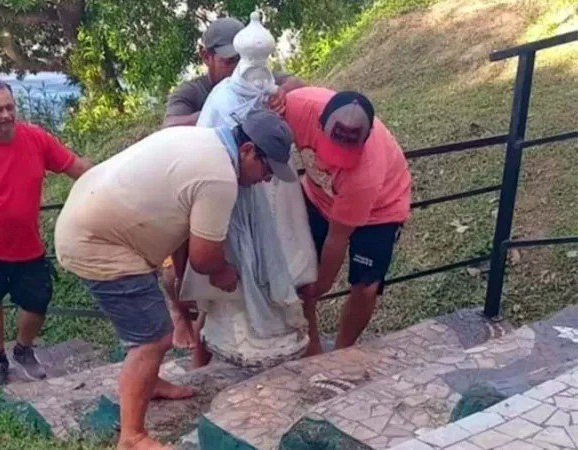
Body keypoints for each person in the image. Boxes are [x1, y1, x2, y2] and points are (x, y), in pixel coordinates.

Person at [55, 109, 296, 450]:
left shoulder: (204, 138)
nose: (266, 179)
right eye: (267, 169)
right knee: (153, 340)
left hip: (89, 217)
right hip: (98, 243)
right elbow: (204, 257)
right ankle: (132, 437)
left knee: (148, 330)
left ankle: (148, 383)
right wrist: (224, 272)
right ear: (247, 151)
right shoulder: (220, 178)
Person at [161, 15, 307, 359]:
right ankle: (184, 322)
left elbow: (296, 83)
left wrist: (278, 95)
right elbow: (170, 126)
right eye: (228, 60)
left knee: (264, 258)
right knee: (198, 267)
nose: (235, 67)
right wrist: (230, 114)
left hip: (251, 182)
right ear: (206, 56)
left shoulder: (258, 79)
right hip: (204, 185)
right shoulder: (198, 93)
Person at [0, 78, 92, 387]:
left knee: (38, 302)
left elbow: (76, 168)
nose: (5, 115)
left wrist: (115, 173)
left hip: (29, 247)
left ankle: (24, 349)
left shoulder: (36, 139)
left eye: (9, 107)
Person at [283, 87, 412, 356]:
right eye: (332, 146)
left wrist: (322, 286)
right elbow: (276, 88)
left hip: (381, 208)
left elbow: (337, 236)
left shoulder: (365, 174)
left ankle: (343, 351)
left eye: (347, 151)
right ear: (319, 122)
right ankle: (312, 348)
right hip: (317, 195)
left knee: (366, 287)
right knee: (302, 271)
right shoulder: (297, 107)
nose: (335, 161)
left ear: (365, 138)